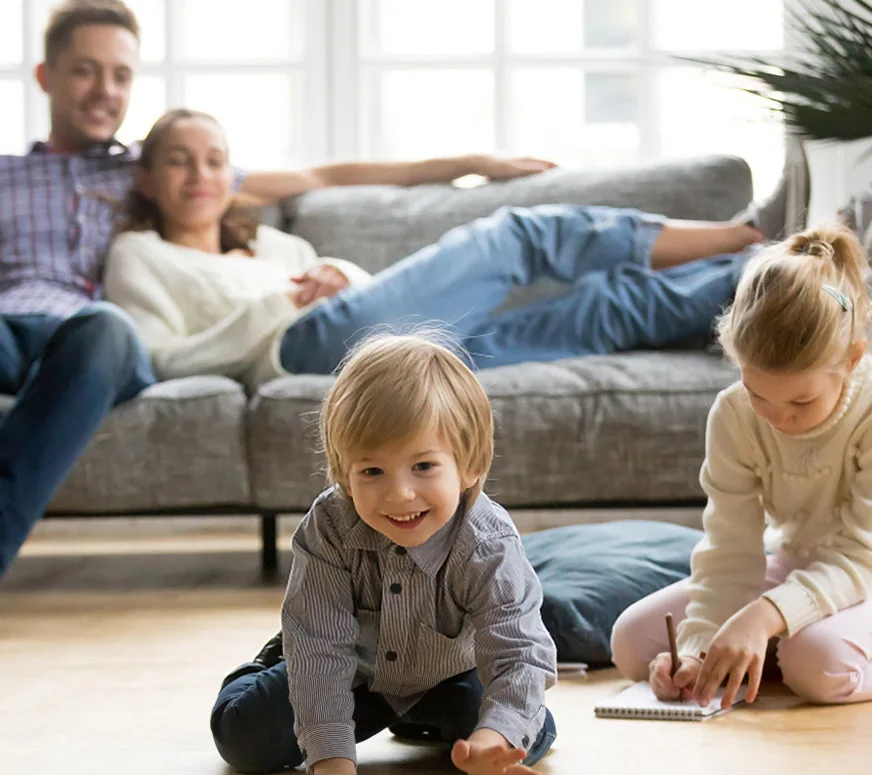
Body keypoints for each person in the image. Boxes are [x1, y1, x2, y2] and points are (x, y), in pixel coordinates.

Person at [0, 0, 554, 577]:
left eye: (121, 75)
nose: (104, 91)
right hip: (9, 327)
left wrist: (471, 161)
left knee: (104, 326)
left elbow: (326, 177)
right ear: (46, 77)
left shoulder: (152, 168)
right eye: (86, 70)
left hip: (91, 345)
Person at [104, 108, 798, 385]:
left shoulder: (275, 244)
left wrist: (337, 274)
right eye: (178, 160)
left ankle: (779, 265)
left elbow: (370, 298)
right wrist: (279, 306)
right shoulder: (141, 255)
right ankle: (748, 229)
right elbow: (155, 359)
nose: (200, 175)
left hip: (385, 358)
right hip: (302, 355)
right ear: (145, 176)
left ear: (234, 174)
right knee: (518, 235)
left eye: (215, 158)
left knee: (600, 310)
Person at [610, 223, 872, 711]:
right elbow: (729, 549)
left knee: (815, 666)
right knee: (632, 643)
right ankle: (774, 641)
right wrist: (697, 651)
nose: (778, 418)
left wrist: (762, 618)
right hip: (801, 564)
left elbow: (863, 557)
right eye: (758, 393)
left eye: (801, 401)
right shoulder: (732, 412)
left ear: (853, 359)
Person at [210, 334, 557, 775]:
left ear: (470, 466)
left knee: (520, 736)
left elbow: (519, 652)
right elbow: (321, 647)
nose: (399, 495)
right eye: (372, 472)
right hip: (354, 669)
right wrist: (332, 762)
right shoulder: (330, 526)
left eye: (423, 466)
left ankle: (425, 716)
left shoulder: (488, 541)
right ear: (342, 474)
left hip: (450, 672)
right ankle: (274, 656)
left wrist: (493, 737)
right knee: (243, 739)